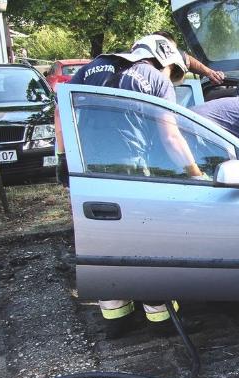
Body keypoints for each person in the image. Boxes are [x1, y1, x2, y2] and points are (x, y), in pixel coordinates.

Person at [57, 34, 201, 336]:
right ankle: (162, 323)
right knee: (146, 246)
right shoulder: (155, 79)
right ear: (165, 59)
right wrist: (195, 173)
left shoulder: (93, 67)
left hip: (88, 171)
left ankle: (116, 320)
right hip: (130, 172)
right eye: (172, 73)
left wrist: (61, 158)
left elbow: (61, 111)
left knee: (101, 243)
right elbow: (171, 136)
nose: (170, 79)